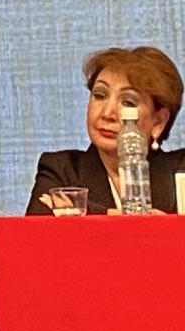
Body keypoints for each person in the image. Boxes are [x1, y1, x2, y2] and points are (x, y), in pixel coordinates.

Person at [25, 45, 185, 215]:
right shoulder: (61, 171)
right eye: (100, 95)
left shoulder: (181, 170)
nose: (107, 113)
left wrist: (88, 215)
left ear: (159, 121)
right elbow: (34, 231)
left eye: (128, 102)